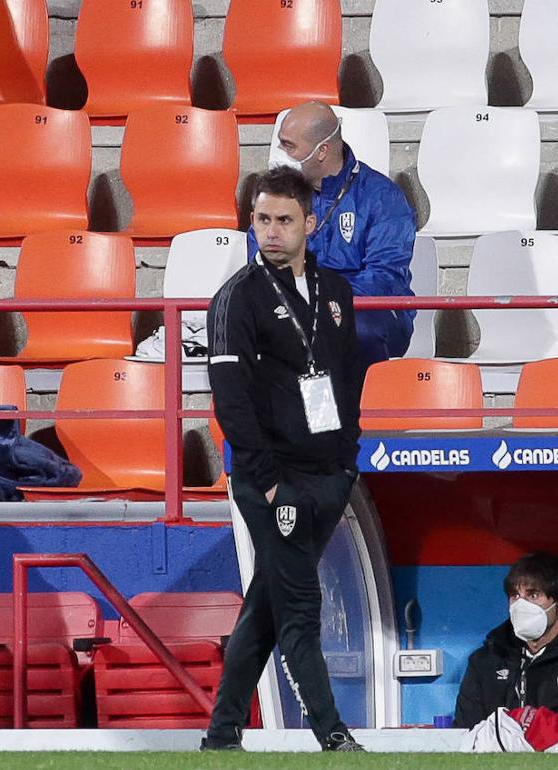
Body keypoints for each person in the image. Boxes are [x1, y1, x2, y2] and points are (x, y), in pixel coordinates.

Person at [202, 167, 365, 753]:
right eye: (262, 220)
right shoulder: (236, 298)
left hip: (330, 475)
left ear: (310, 223)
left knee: (267, 606)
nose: (271, 231)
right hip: (275, 484)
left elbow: (347, 381)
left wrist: (348, 461)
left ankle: (221, 734)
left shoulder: (337, 293)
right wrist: (267, 482)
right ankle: (333, 735)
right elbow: (231, 400)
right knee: (300, 606)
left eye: (284, 220)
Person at [252, 100, 417, 368]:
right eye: (280, 143)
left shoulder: (382, 197)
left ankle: (356, 407)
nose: (279, 153)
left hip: (367, 311)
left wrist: (322, 299)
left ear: (321, 151)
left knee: (352, 331)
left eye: (288, 146)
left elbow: (384, 277)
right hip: (295, 303)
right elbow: (260, 260)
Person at [455, 552, 558, 734]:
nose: (521, 605)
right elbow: (466, 733)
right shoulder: (484, 662)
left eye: (533, 596)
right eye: (515, 596)